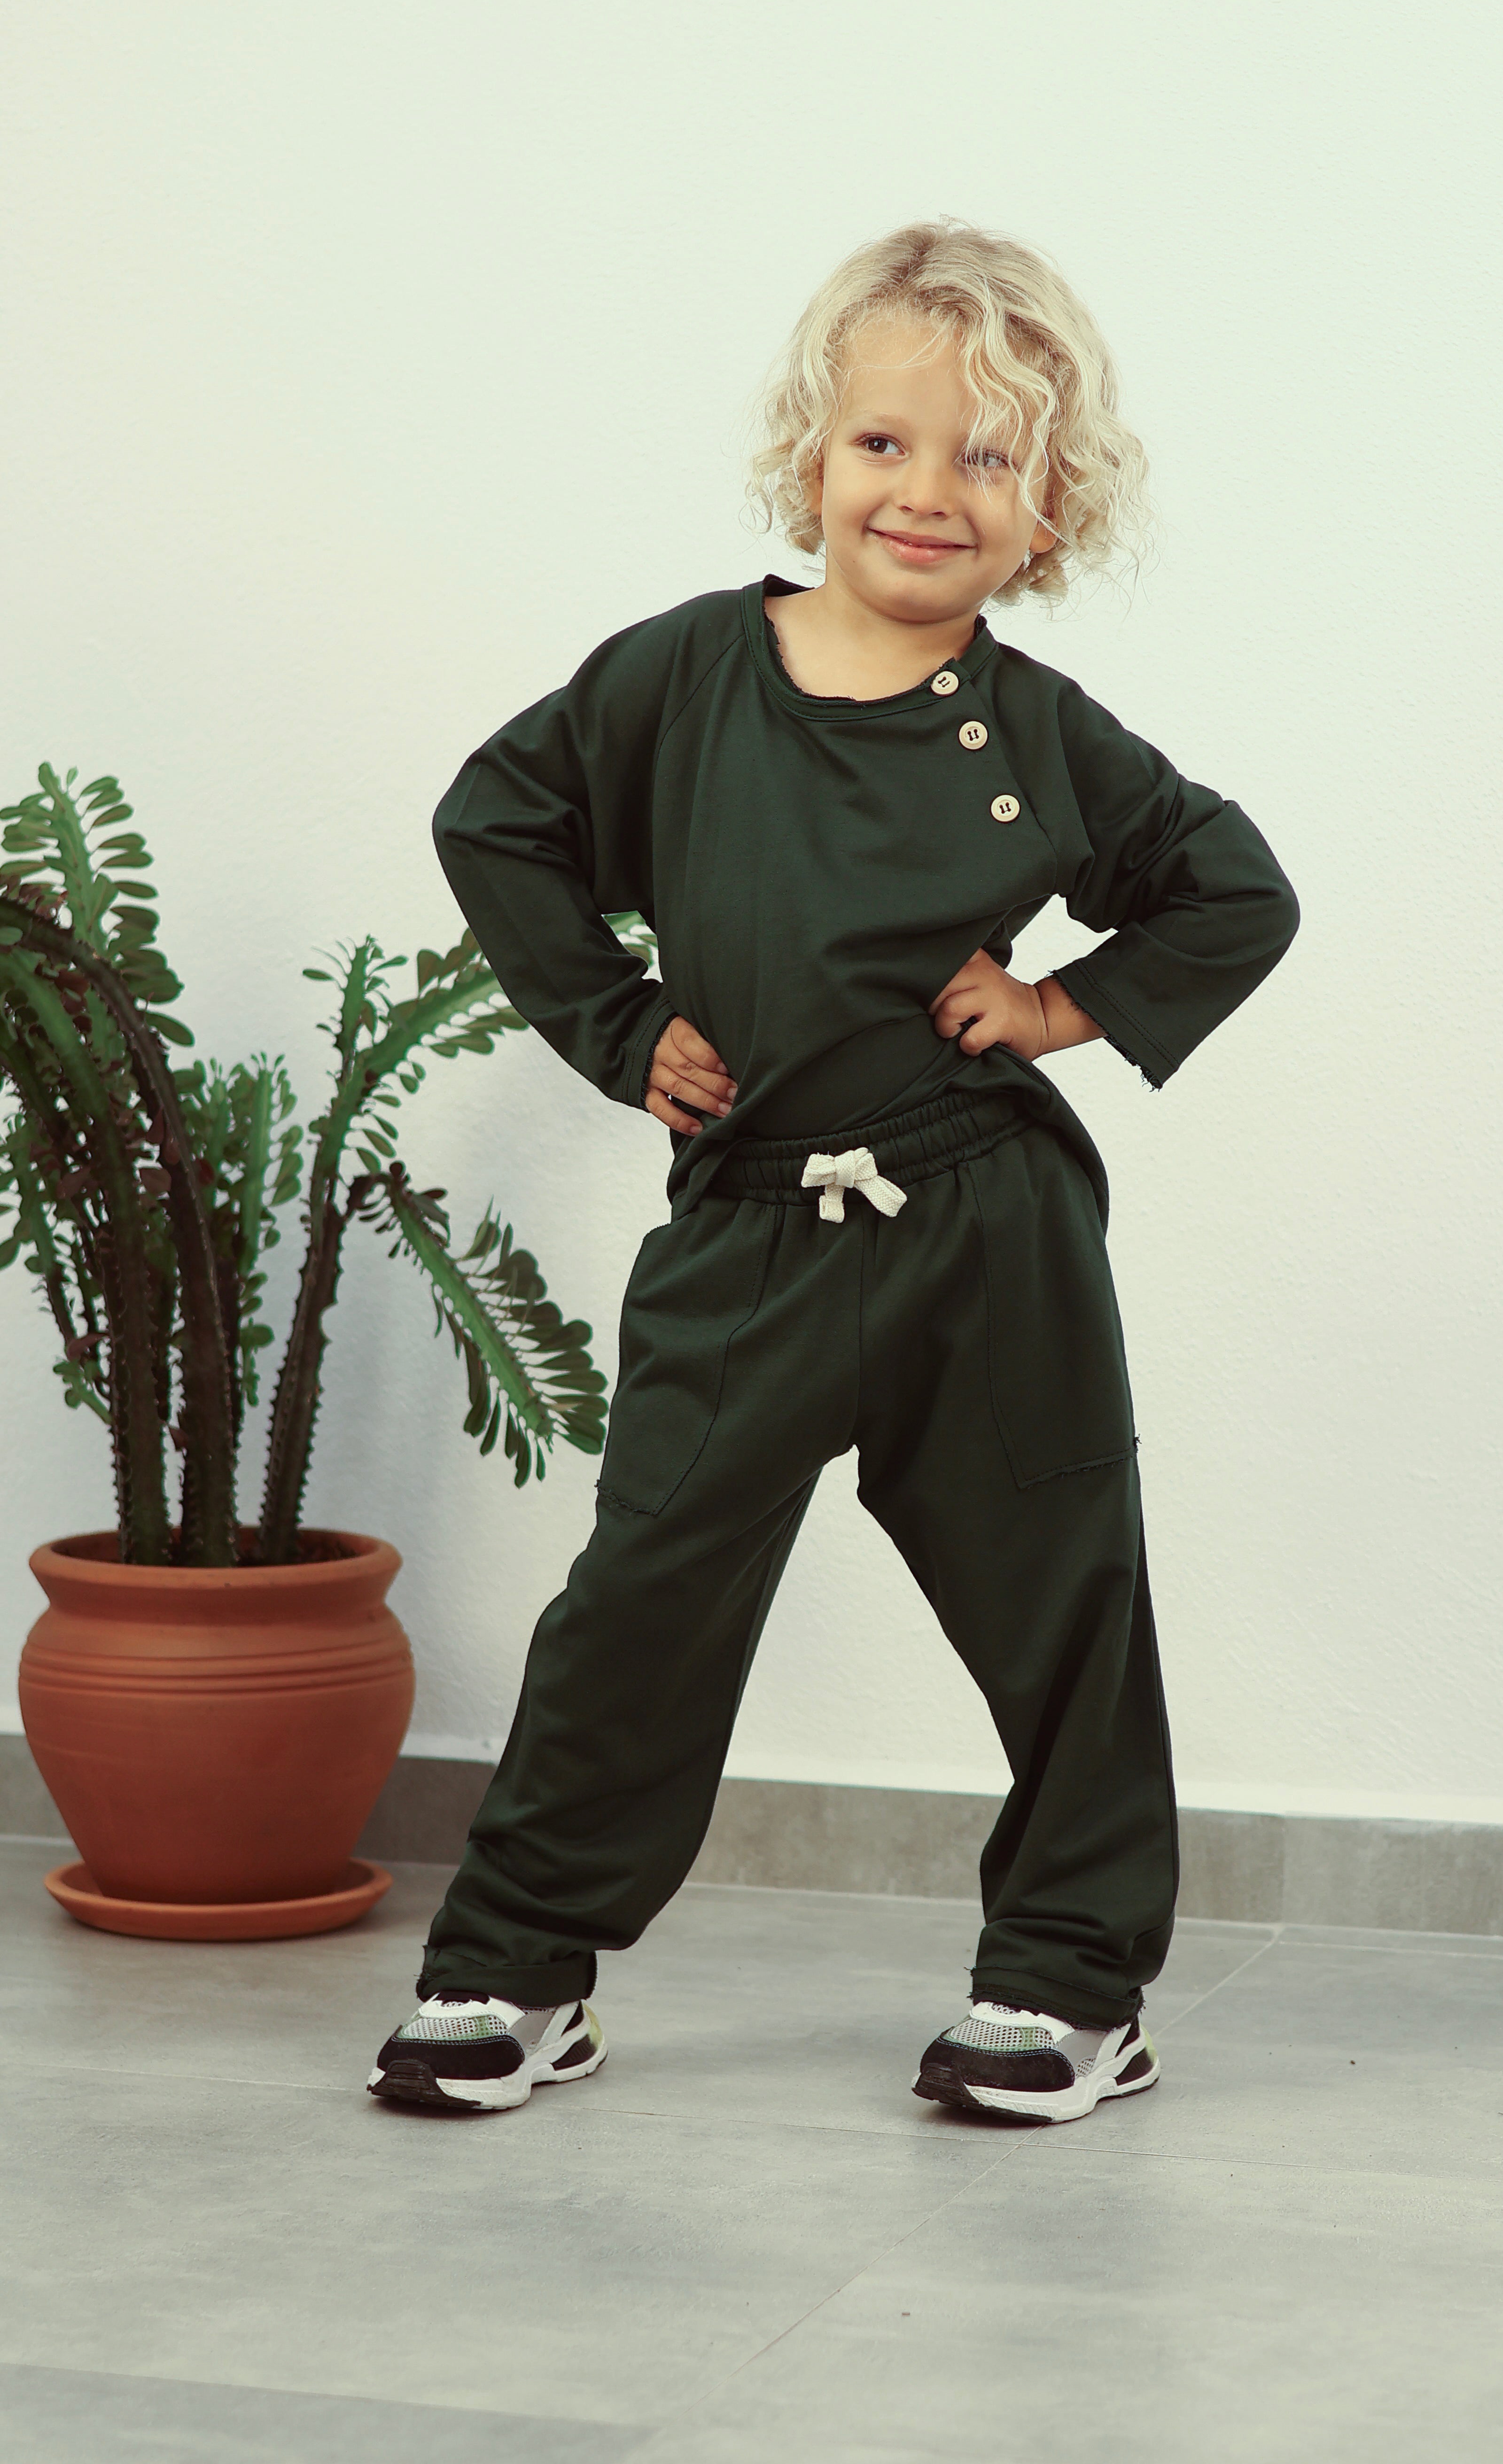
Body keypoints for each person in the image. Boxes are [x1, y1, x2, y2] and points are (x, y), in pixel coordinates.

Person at [366, 216, 1300, 2122]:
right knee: (641, 1598)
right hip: (749, 1233)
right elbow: (498, 821)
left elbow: (1234, 889)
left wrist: (1061, 1008)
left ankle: (1070, 1987)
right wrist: (619, 1026)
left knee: (1061, 1598)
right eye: (885, 442)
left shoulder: (1038, 735)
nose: (927, 491)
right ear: (811, 457)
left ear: (1051, 509)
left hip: (986, 1233)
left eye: (987, 457)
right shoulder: (682, 678)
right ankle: (515, 1967)